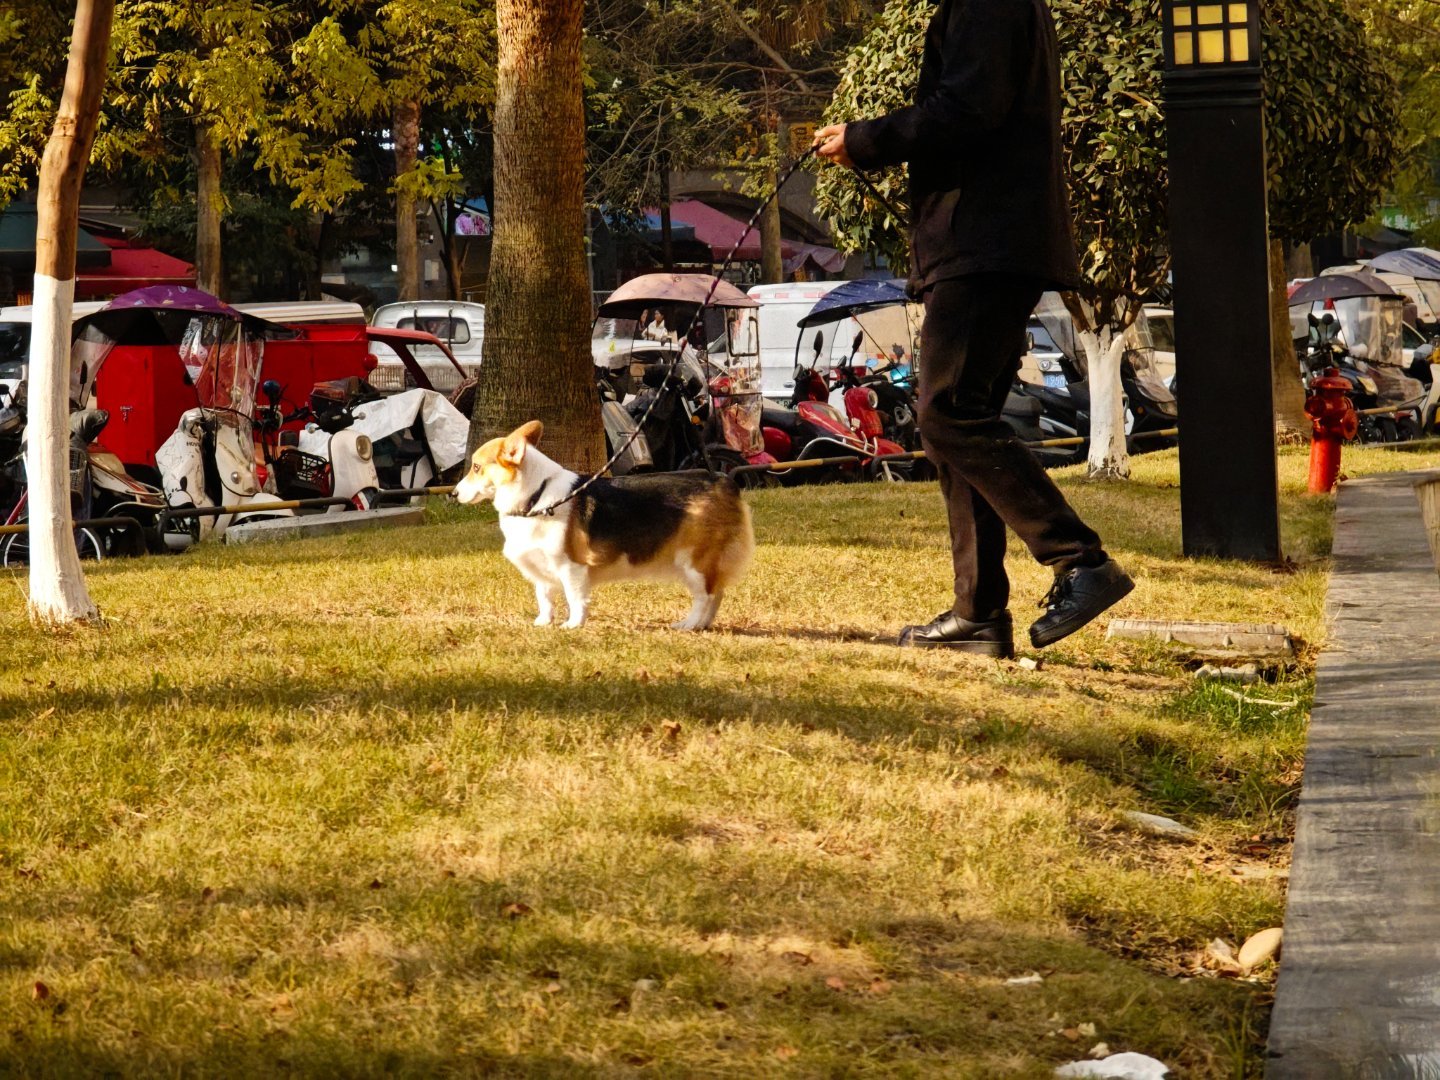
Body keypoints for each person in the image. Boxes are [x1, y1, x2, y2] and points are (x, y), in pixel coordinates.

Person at [813, 0, 1131, 658]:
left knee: (949, 415)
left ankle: (1081, 561)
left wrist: (865, 139)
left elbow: (967, 109)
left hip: (984, 238)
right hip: (986, 239)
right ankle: (978, 613)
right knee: (961, 423)